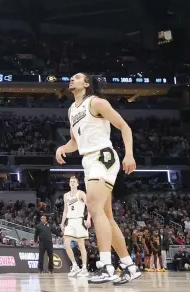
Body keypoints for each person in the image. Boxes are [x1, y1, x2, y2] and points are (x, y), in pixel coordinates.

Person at [56, 73, 140, 285]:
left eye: (76, 77)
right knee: (106, 216)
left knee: (93, 209)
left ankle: (106, 265)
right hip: (88, 160)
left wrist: (129, 154)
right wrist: (63, 148)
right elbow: (75, 142)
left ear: (86, 84)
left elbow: (124, 127)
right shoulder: (72, 110)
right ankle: (128, 265)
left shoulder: (96, 102)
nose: (71, 79)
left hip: (102, 156)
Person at [61, 176, 91, 277]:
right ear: (69, 184)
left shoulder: (81, 193)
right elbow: (65, 211)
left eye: (74, 181)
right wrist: (62, 222)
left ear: (77, 184)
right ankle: (75, 265)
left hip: (79, 220)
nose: (72, 183)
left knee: (81, 245)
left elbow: (89, 206)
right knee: (66, 244)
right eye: (71, 181)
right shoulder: (66, 195)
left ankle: (84, 268)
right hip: (70, 222)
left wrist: (88, 219)